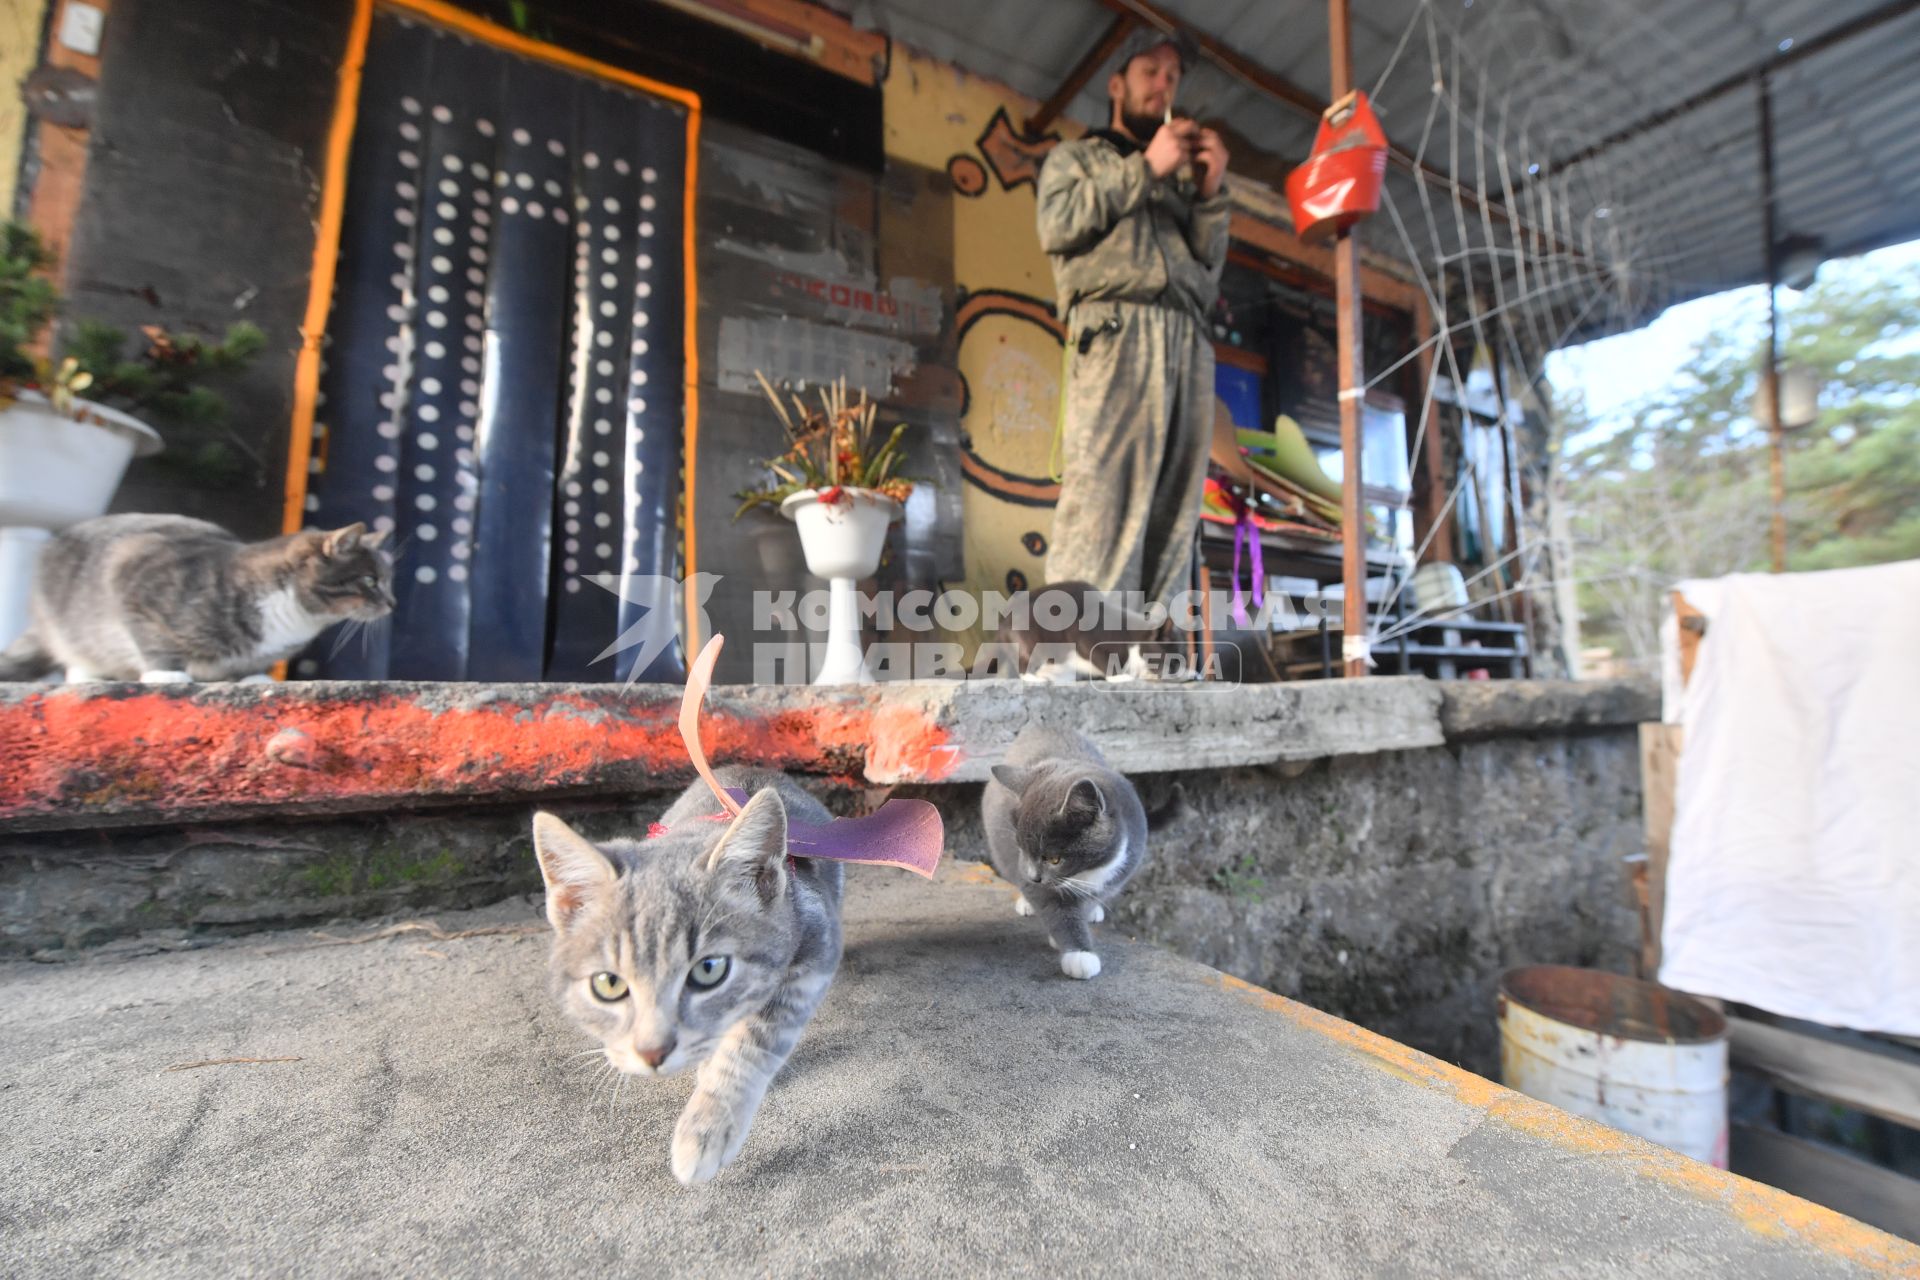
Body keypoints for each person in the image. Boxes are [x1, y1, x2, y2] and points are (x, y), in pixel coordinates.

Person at [1036, 31, 1231, 615]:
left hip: (1188, 339)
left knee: (1176, 503)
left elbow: (1209, 266)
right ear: (1116, 84)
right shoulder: (1078, 157)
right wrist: (1145, 167)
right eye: (1150, 70)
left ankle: (1152, 652)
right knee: (1103, 493)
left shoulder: (1183, 185)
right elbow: (1058, 227)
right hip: (1117, 327)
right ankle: (1074, 647)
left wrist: (1212, 191)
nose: (1162, 84)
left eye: (1172, 76)